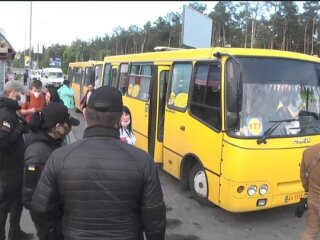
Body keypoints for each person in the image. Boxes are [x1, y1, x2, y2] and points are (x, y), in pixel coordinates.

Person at [31, 86, 166, 240]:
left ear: (86, 114)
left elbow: (40, 209)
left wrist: (57, 233)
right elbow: (155, 222)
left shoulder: (59, 158)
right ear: (120, 117)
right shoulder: (144, 162)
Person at [23, 102, 79, 240]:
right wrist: (50, 225)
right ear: (58, 126)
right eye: (68, 125)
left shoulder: (53, 144)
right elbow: (30, 198)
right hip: (49, 223)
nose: (69, 128)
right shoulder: (38, 153)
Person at [0, 80, 33, 240]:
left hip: (16, 169)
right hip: (7, 172)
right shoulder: (5, 113)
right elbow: (3, 141)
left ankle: (15, 232)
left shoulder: (13, 111)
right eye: (21, 93)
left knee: (17, 203)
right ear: (13, 93)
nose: (23, 97)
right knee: (3, 208)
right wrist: (19, 128)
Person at [300, 144, 320, 240]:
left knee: (311, 232)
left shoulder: (309, 151)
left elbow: (303, 176)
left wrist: (308, 190)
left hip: (313, 199)